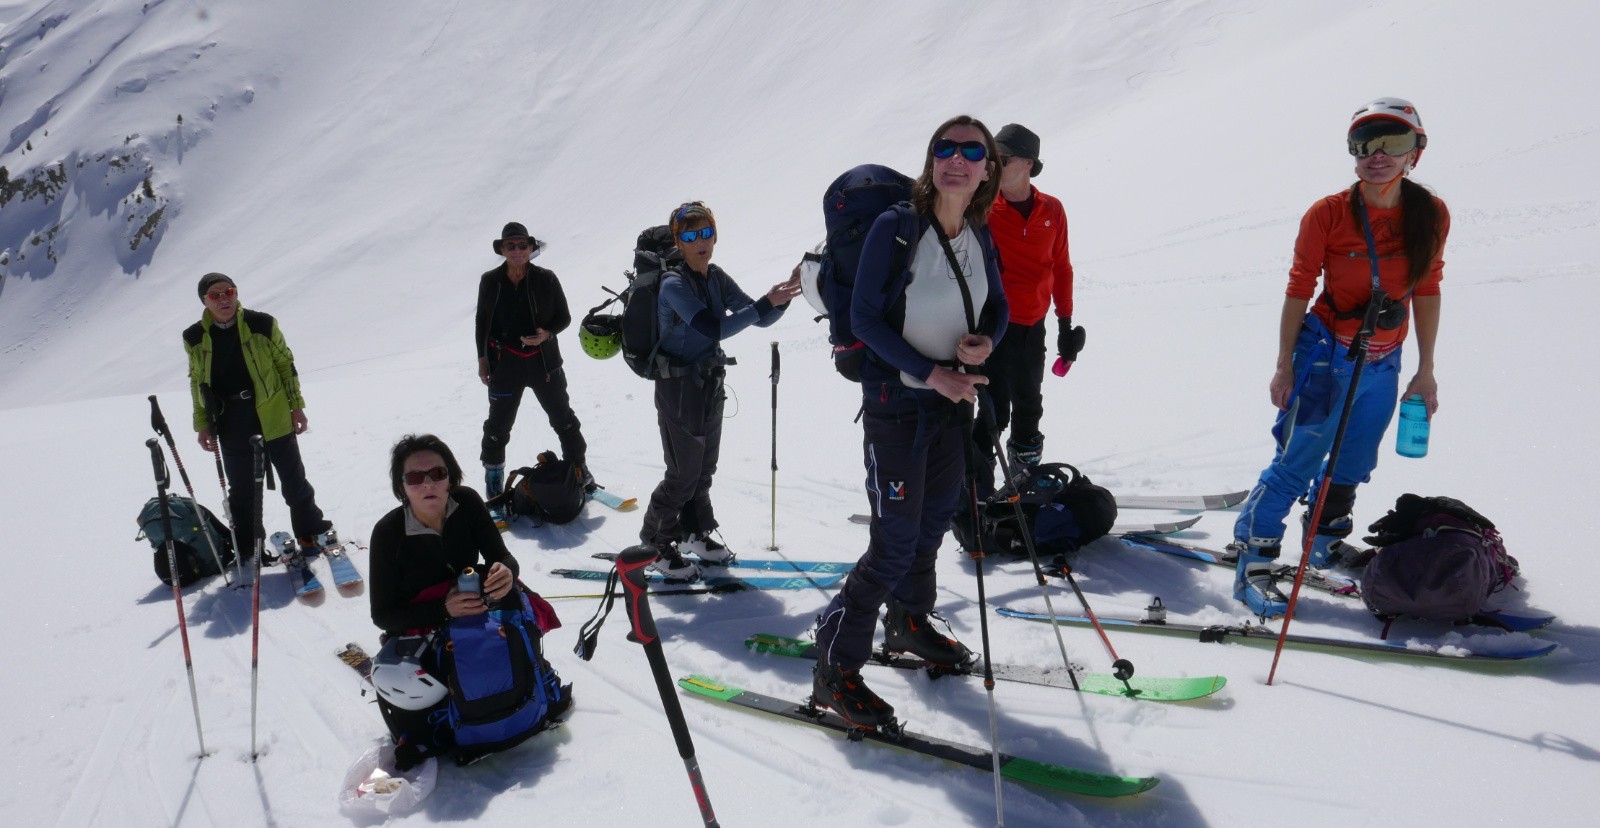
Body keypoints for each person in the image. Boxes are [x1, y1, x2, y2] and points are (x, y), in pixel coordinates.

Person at [811, 115, 1009, 729]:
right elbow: (867, 319)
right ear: (930, 162)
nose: (957, 159)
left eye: (971, 151)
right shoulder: (898, 228)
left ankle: (909, 622)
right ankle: (834, 665)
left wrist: (985, 342)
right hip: (897, 405)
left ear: (987, 168)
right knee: (894, 542)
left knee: (928, 528)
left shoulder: (977, 230)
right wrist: (933, 373)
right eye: (944, 149)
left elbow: (998, 306)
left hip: (952, 403)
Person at [1230, 98, 1448, 617]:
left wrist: (1426, 369)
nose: (1377, 154)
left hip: (1384, 359)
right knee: (1297, 460)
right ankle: (1253, 562)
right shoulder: (1328, 214)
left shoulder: (1430, 213)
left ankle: (1324, 540)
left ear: (1416, 150)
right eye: (1364, 143)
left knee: (1355, 458)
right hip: (1326, 354)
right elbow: (1298, 289)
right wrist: (1284, 362)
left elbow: (1429, 286)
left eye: (1392, 141)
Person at [367, 434, 565, 767]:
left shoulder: (468, 502)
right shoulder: (388, 533)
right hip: (424, 622)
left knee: (518, 615)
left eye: (438, 474)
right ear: (402, 487)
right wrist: (442, 609)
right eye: (415, 478)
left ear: (451, 477)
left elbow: (501, 555)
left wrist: (506, 572)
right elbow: (384, 616)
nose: (428, 484)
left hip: (475, 604)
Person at [639, 202, 801, 579]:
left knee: (703, 469)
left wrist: (788, 294)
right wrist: (766, 303)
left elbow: (757, 317)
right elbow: (714, 329)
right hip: (678, 387)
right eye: (691, 236)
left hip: (708, 382)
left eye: (706, 233)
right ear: (678, 241)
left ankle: (694, 532)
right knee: (682, 473)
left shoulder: (715, 276)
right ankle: (654, 544)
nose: (701, 242)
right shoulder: (673, 284)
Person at [183, 272, 335, 559]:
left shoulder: (262, 324)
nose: (224, 298)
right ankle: (249, 547)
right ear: (204, 301)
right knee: (242, 491)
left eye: (229, 291)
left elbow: (284, 363)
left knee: (293, 479)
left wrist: (296, 406)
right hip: (230, 420)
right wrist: (202, 423)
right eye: (215, 295)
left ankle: (310, 530)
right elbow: (196, 380)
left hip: (272, 412)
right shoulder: (194, 337)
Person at [972, 123, 1084, 496]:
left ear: (1028, 163)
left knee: (1029, 405)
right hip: (992, 326)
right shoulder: (982, 209)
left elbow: (1061, 267)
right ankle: (975, 487)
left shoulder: (1052, 209)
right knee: (992, 409)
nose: (992, 165)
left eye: (1001, 158)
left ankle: (1022, 484)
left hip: (1032, 325)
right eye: (991, 158)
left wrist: (1065, 325)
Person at [476, 222, 593, 511]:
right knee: (497, 427)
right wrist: (482, 359)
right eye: (510, 246)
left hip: (545, 364)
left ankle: (580, 471)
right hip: (505, 365)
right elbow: (482, 323)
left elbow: (564, 317)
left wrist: (546, 334)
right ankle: (494, 478)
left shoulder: (546, 278)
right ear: (502, 249)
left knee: (564, 419)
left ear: (530, 248)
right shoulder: (490, 280)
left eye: (522, 245)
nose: (517, 251)